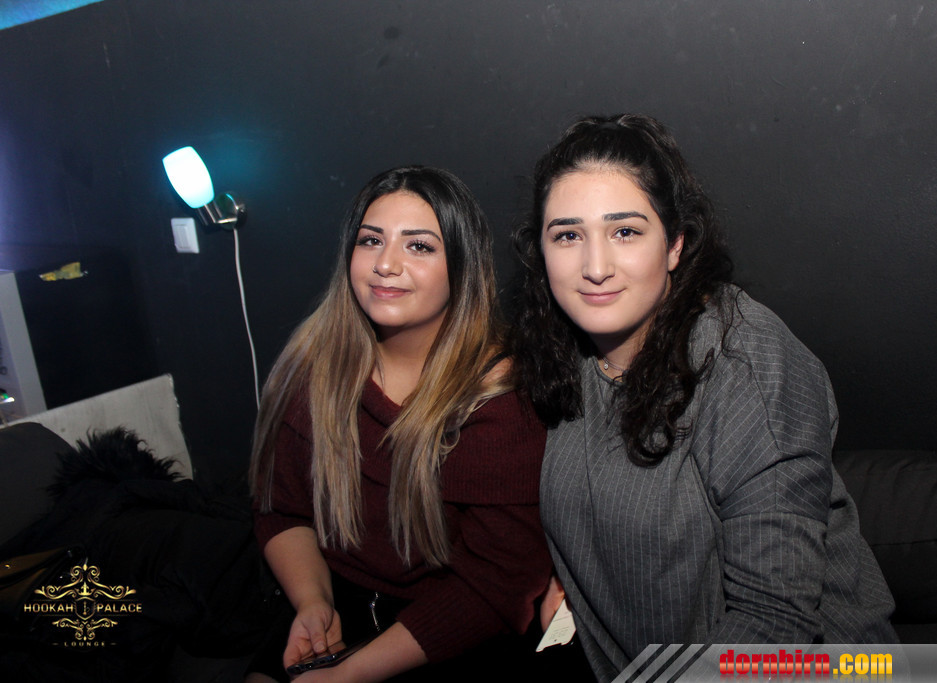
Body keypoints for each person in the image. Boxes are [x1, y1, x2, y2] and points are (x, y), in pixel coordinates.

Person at [510, 114, 897, 681]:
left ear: (675, 245)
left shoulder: (745, 362)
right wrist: (566, 575)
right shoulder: (562, 352)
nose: (594, 268)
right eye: (568, 235)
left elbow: (774, 624)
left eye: (625, 232)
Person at [248, 166, 550, 682]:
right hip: (332, 597)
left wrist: (347, 675)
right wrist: (314, 603)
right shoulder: (313, 366)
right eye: (371, 241)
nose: (385, 264)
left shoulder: (500, 403)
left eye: (419, 246)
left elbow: (496, 587)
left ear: (462, 267)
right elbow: (281, 508)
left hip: (445, 632)